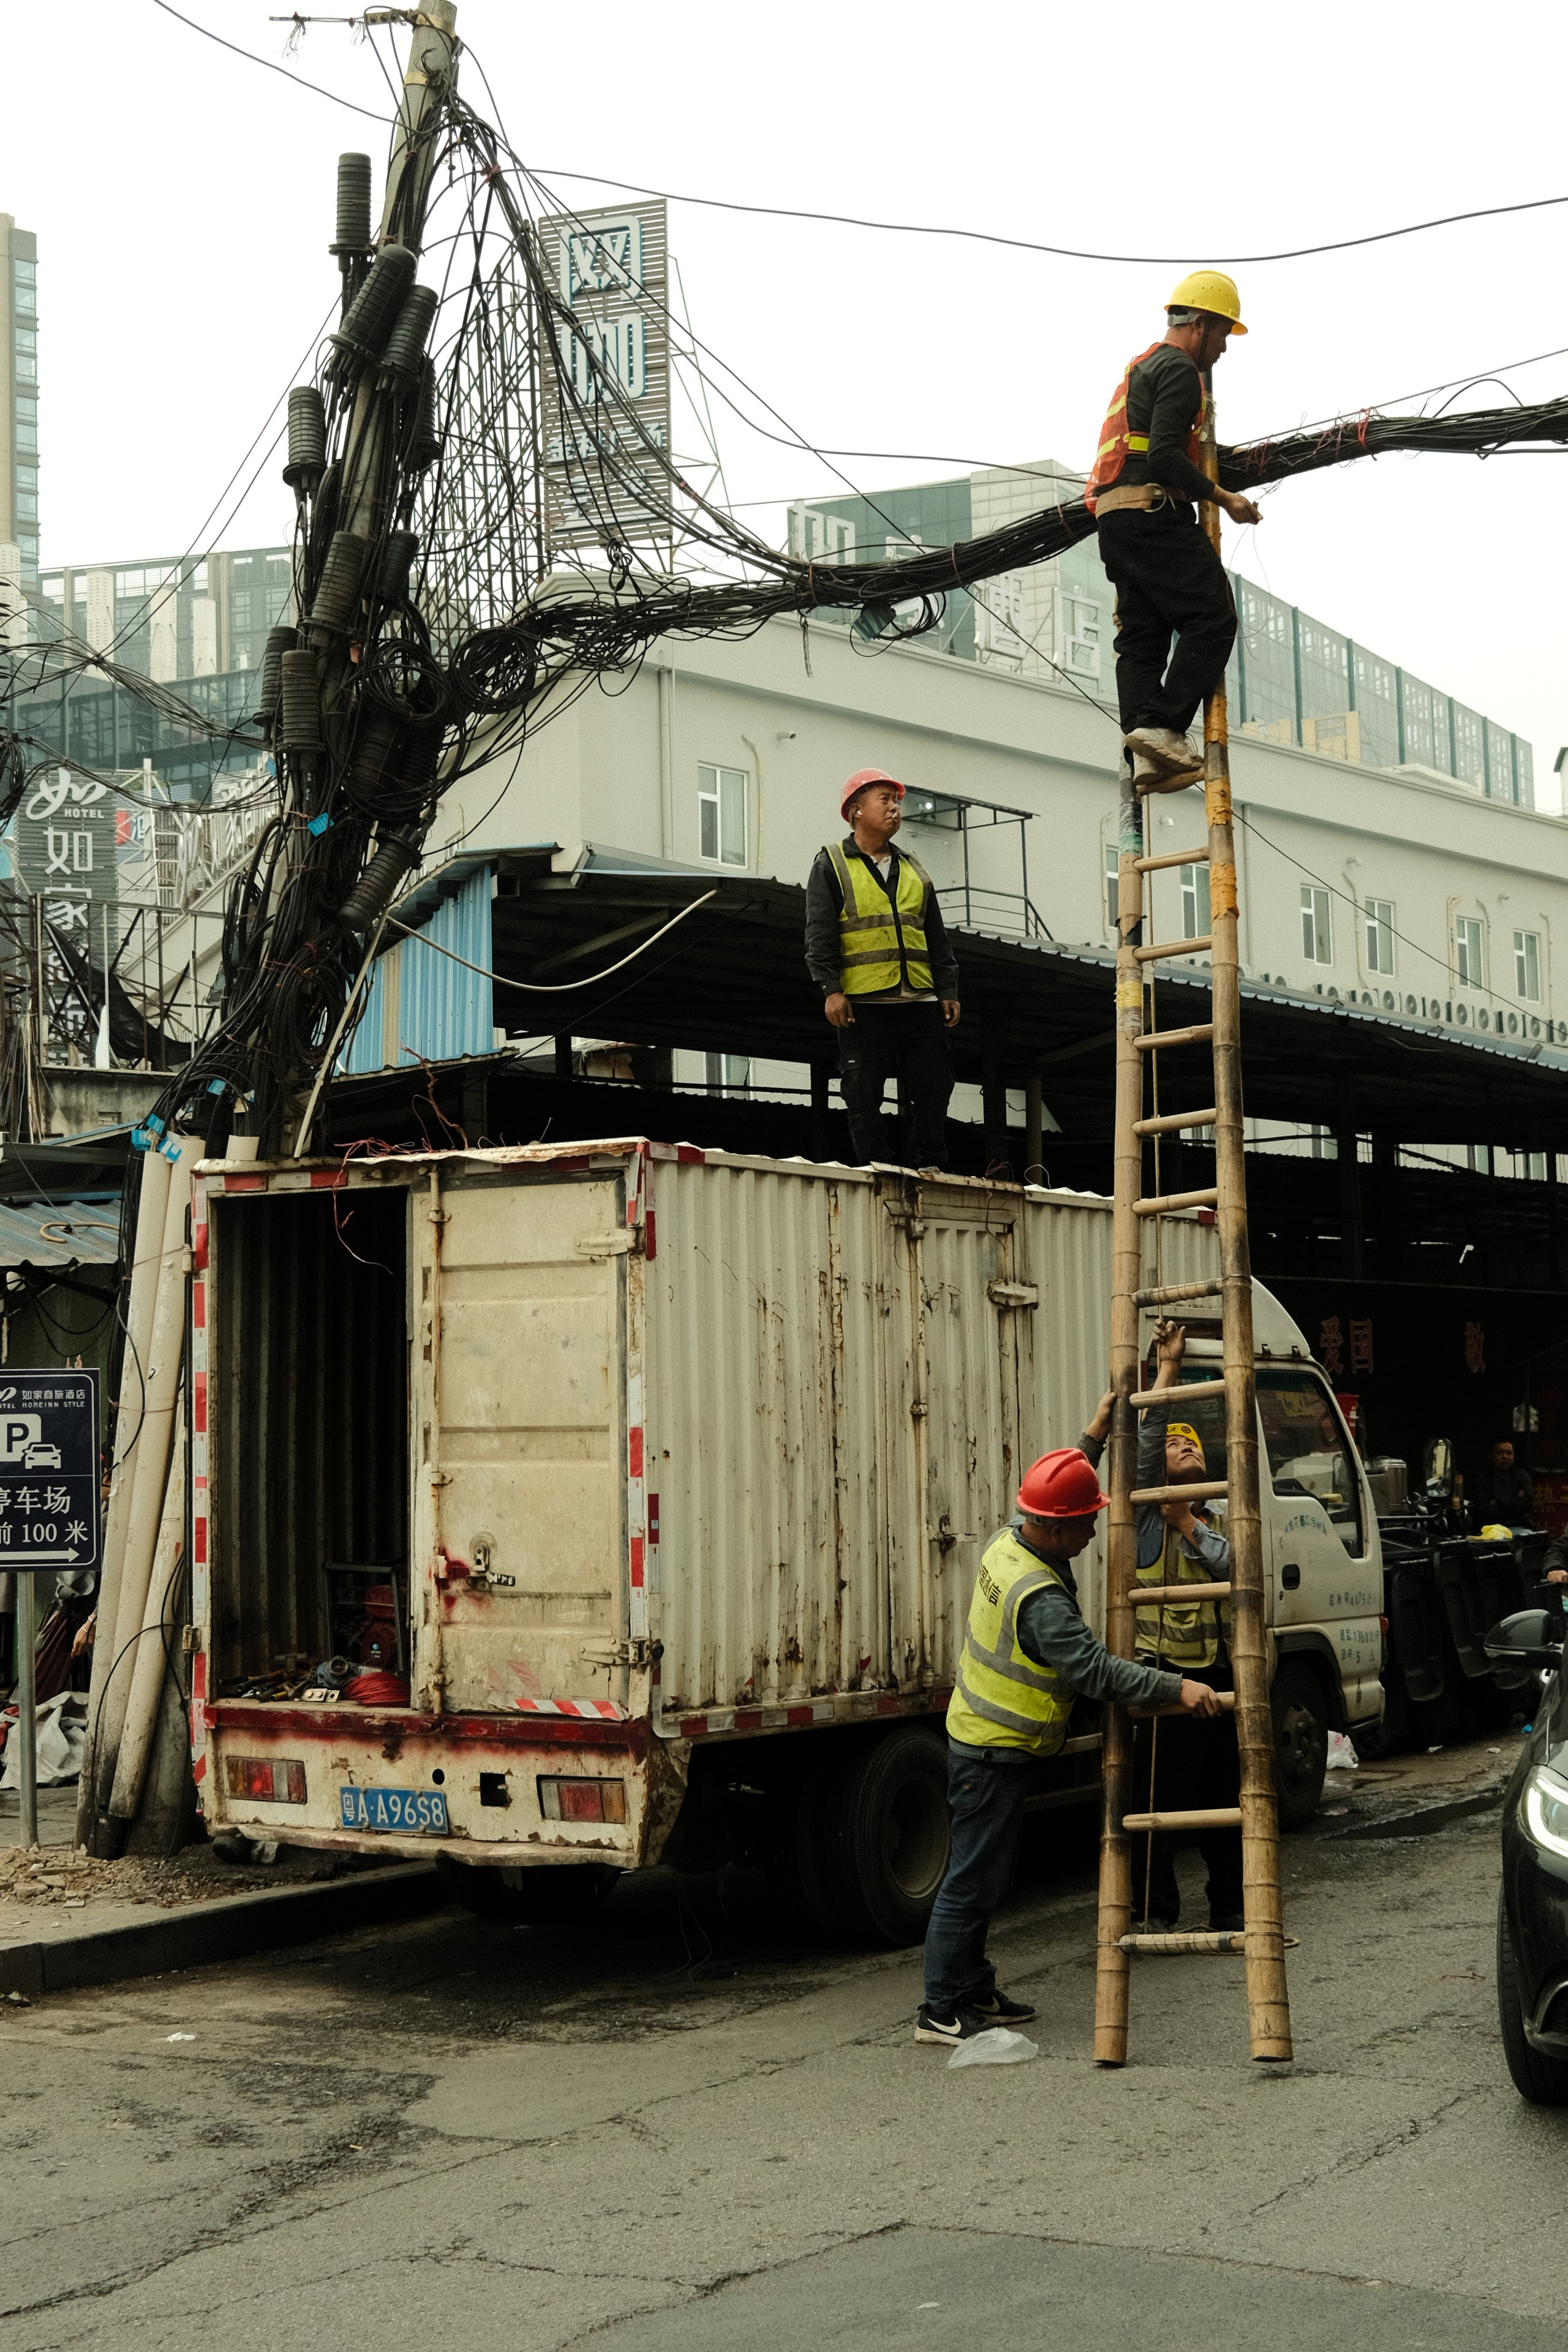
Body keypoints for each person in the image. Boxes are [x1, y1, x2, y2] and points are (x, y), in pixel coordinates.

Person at [917, 1444, 1221, 2047]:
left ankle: (971, 1985)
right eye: (1084, 1523)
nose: (1091, 1532)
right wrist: (1176, 1687)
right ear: (1053, 1527)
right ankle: (941, 2009)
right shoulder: (1042, 1599)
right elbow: (1096, 1673)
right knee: (972, 1881)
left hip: (984, 1741)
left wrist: (1093, 1438)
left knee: (986, 1877)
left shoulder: (1011, 1537)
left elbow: (1056, 1488)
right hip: (991, 1749)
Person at [1090, 1319, 1243, 1933]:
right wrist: (1168, 1371)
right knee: (1152, 1802)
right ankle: (1157, 1912)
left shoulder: (1215, 1524)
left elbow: (1235, 1570)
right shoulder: (1145, 1520)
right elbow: (1144, 1446)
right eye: (1177, 1448)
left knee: (1221, 1804)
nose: (1185, 1449)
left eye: (1193, 1446)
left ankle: (1229, 1905)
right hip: (1157, 1681)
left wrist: (1189, 1525)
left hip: (1212, 1680)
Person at [1085, 270, 1263, 794]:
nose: (1225, 350)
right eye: (1224, 335)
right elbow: (1163, 455)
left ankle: (1145, 749)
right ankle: (1165, 727)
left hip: (1115, 519)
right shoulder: (1182, 371)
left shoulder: (1141, 367)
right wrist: (1224, 497)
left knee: (1141, 637)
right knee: (1212, 616)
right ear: (1202, 325)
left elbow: (1150, 446)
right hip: (1151, 511)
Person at [805, 769, 960, 1170]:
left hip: (919, 999)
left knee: (935, 1083)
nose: (895, 808)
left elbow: (935, 935)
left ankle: (929, 1162)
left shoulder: (913, 867)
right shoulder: (831, 864)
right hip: (864, 1003)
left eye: (897, 801)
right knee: (862, 1089)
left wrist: (948, 989)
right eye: (885, 800)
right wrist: (830, 990)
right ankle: (878, 1163)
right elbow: (820, 934)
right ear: (856, 811)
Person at [1472, 1437, 1536, 1531]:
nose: (1505, 1457)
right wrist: (1516, 1508)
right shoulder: (1481, 1479)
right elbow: (1485, 1511)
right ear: (1490, 1456)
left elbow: (1528, 1504)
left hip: (1519, 1527)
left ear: (1514, 1456)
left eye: (1509, 1453)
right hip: (1489, 1528)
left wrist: (1498, 1502)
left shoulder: (1522, 1476)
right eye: (1499, 1453)